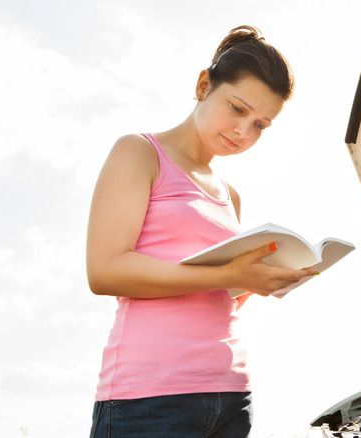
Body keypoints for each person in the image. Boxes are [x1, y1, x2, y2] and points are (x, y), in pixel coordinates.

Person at [86, 25, 316, 437]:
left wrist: (261, 280)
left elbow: (213, 293)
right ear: (203, 84)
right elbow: (105, 271)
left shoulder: (231, 196)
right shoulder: (139, 153)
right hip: (149, 398)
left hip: (230, 393)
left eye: (261, 124)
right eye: (238, 109)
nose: (244, 132)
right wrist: (231, 274)